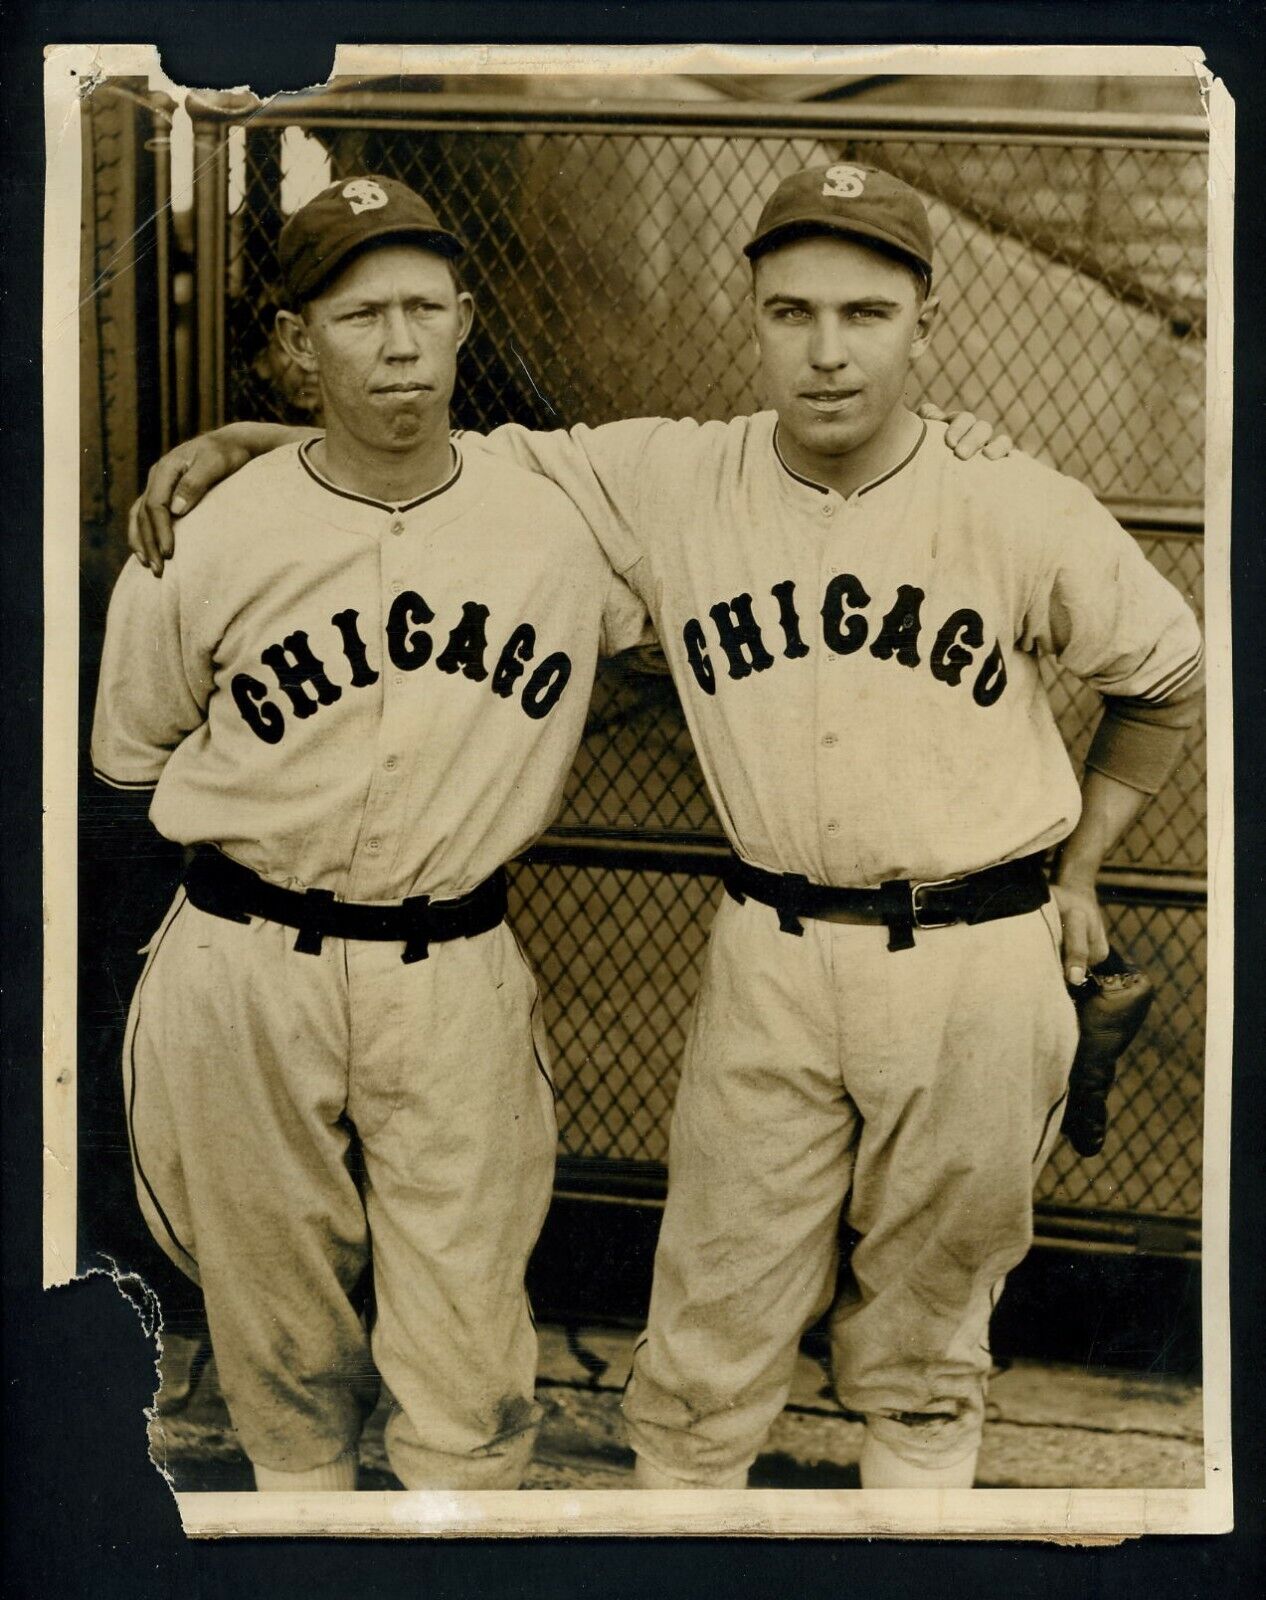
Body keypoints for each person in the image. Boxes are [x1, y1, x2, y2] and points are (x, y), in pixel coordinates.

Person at [126, 164, 1197, 1492]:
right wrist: (256, 445)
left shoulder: (1014, 501)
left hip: (980, 954)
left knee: (929, 1341)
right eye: (790, 311)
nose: (824, 349)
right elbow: (435, 454)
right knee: (706, 1333)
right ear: (749, 317)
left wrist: (1085, 865)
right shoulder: (670, 473)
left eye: (864, 313)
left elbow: (1164, 676)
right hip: (771, 954)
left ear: (925, 324)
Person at [90, 175, 653, 1492]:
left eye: (422, 308)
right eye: (357, 317)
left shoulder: (564, 525)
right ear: (296, 348)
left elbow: (774, 503)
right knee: (281, 1363)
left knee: (466, 1369)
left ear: (465, 322)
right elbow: (130, 764)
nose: (398, 343)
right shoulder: (204, 539)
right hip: (245, 960)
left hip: (452, 970)